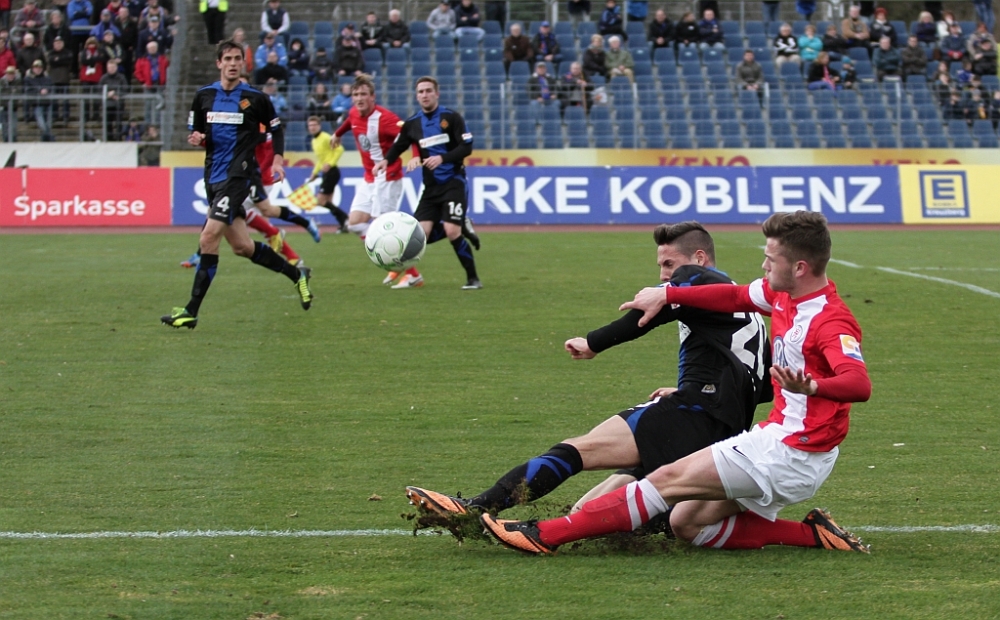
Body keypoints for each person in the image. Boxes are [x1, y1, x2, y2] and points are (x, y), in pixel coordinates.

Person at [480, 211, 872, 557]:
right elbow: (734, 295)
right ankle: (814, 534)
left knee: (664, 480)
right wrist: (668, 294)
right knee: (686, 523)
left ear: (800, 267)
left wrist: (814, 388)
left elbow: (858, 384)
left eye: (771, 259)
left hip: (795, 451)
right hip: (780, 438)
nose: (763, 265)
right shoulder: (781, 294)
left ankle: (544, 535)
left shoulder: (830, 321)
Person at [406, 221, 772, 523]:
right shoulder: (746, 308)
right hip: (723, 430)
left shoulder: (696, 279)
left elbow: (646, 315)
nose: (663, 275)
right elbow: (763, 385)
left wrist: (593, 342)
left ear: (699, 258)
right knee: (588, 509)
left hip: (694, 414)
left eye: (669, 264)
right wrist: (704, 385)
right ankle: (650, 526)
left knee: (578, 450)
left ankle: (476, 508)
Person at [162, 39, 313, 330]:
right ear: (219, 63)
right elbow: (198, 133)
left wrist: (277, 161)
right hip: (213, 178)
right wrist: (197, 138)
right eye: (228, 59)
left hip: (238, 177)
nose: (233, 63)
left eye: (237, 59)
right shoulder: (204, 96)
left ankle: (191, 311)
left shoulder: (255, 98)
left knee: (208, 239)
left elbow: (276, 130)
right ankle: (298, 275)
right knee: (242, 247)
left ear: (243, 63)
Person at [376, 76, 481, 290]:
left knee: (452, 232)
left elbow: (467, 147)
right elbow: (399, 145)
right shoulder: (412, 123)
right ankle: (461, 224)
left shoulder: (451, 118)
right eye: (420, 92)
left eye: (428, 91)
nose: (424, 95)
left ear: (436, 93)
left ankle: (473, 279)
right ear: (417, 96)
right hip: (431, 188)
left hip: (454, 182)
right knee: (419, 236)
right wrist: (385, 161)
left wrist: (443, 158)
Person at [327, 74, 424, 287]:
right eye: (356, 94)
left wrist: (416, 155)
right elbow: (350, 121)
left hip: (388, 177)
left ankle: (413, 275)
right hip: (369, 177)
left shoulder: (384, 118)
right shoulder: (354, 112)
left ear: (373, 97)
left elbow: (411, 133)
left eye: (364, 94)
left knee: (385, 229)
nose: (359, 98)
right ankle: (394, 266)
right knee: (354, 224)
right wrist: (337, 134)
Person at [306, 114, 349, 232]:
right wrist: (314, 173)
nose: (312, 127)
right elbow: (320, 160)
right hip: (326, 173)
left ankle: (345, 218)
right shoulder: (314, 141)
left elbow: (340, 149)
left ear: (319, 126)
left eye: (314, 125)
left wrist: (330, 163)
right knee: (328, 202)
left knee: (320, 200)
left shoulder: (325, 137)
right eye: (310, 125)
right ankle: (344, 224)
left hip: (332, 171)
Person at [133, 40, 167, 124]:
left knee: (159, 104)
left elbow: (167, 69)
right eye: (151, 48)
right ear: (147, 49)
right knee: (148, 105)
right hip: (148, 85)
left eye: (154, 48)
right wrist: (142, 82)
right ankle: (148, 123)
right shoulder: (142, 60)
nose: (152, 49)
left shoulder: (163, 59)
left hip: (159, 84)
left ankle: (158, 123)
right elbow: (137, 72)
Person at [22, 58, 53, 140]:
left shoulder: (47, 78)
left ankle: (45, 140)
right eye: (36, 67)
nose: (38, 69)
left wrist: (47, 90)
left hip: (47, 103)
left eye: (40, 67)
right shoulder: (28, 79)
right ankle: (50, 138)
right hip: (37, 104)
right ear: (32, 68)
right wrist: (39, 91)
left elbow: (51, 86)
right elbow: (28, 90)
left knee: (48, 124)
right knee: (42, 124)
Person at [98, 57, 128, 138]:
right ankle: (109, 139)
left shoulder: (121, 77)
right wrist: (107, 94)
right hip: (107, 105)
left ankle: (118, 138)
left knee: (119, 123)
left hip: (118, 104)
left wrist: (116, 93)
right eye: (109, 67)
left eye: (112, 67)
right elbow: (99, 90)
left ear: (116, 67)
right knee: (108, 124)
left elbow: (125, 89)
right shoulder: (103, 78)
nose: (111, 69)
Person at [45, 35, 71, 121]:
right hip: (54, 79)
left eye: (60, 43)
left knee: (65, 100)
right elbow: (51, 61)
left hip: (65, 79)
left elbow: (68, 61)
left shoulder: (67, 52)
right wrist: (60, 60)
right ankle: (54, 116)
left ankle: (66, 116)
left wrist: (58, 59)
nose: (58, 45)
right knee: (54, 100)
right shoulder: (51, 53)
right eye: (56, 43)